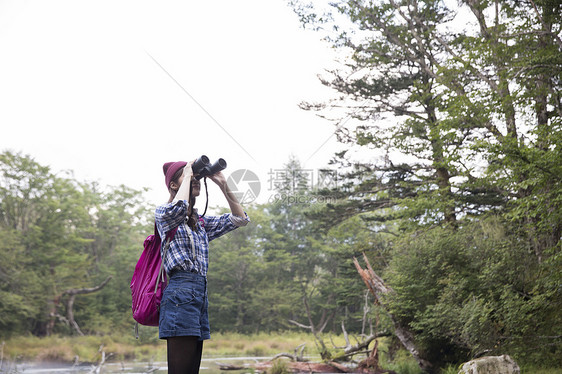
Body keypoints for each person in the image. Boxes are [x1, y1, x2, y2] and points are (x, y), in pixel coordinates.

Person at [155, 160, 249, 373]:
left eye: (197, 176)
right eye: (189, 177)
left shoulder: (201, 224)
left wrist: (223, 184)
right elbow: (177, 208)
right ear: (173, 185)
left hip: (199, 295)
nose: (196, 179)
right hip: (179, 294)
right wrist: (188, 173)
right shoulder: (165, 215)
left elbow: (240, 219)